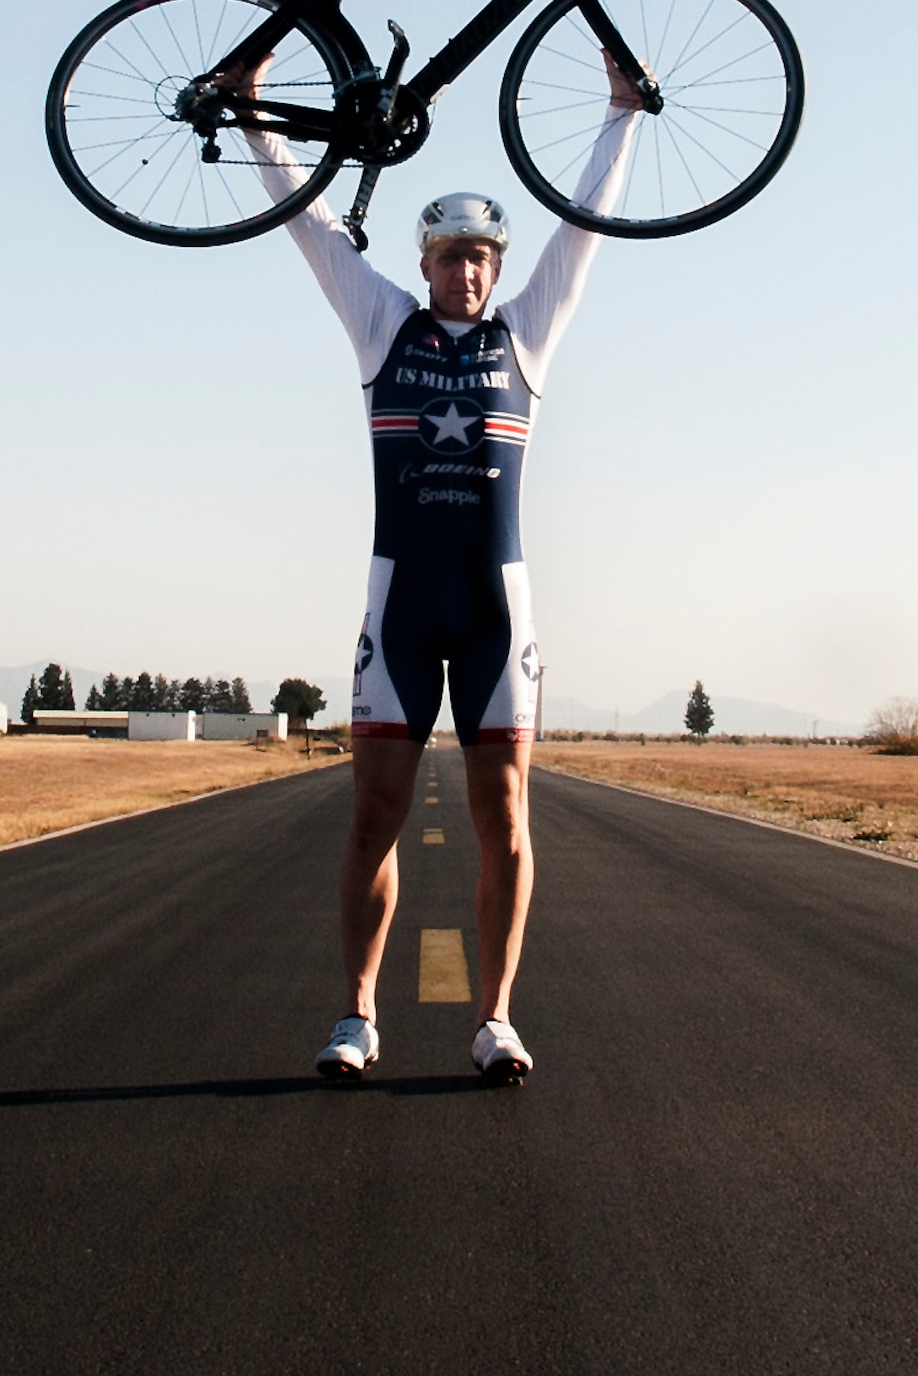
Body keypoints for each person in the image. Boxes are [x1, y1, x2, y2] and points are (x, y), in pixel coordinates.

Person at [243, 56, 639, 1082]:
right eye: (448, 255)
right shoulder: (384, 327)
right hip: (402, 602)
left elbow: (584, 232)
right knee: (374, 808)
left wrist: (621, 115)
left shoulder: (528, 337)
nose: (465, 271)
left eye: (479, 258)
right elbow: (312, 230)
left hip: (497, 610)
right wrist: (252, 116)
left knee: (503, 811)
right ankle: (357, 1015)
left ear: (497, 269)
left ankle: (496, 1016)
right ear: (422, 263)